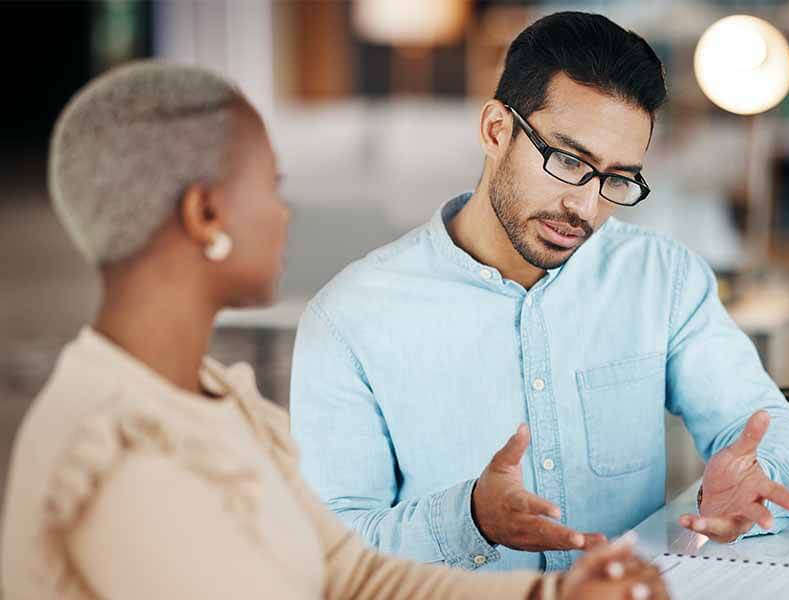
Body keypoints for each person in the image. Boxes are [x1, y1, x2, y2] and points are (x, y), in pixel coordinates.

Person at [0, 61, 667, 600]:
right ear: (206, 214)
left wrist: (554, 596)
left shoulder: (218, 400)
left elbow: (350, 573)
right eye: (271, 185)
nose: (285, 213)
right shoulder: (119, 457)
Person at [291, 10, 789, 574]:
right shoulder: (349, 318)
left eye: (617, 178)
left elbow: (760, 421)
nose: (586, 208)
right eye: (568, 161)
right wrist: (469, 519)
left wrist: (760, 479)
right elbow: (334, 549)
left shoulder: (662, 279)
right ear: (496, 130)